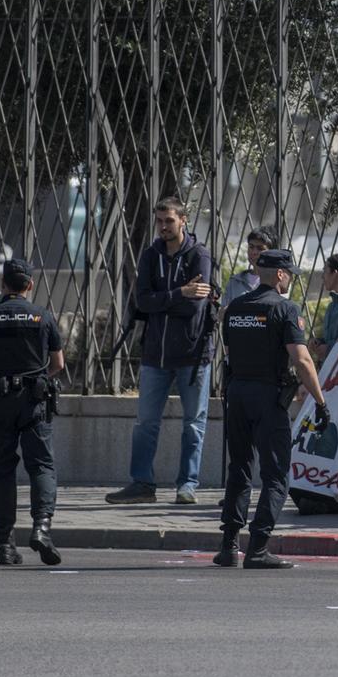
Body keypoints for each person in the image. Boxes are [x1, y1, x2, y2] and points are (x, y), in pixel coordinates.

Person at [215, 248, 324, 570]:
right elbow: (302, 359)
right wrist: (320, 401)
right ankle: (258, 547)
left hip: (237, 393)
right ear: (279, 274)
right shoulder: (285, 309)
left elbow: (231, 351)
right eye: (289, 273)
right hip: (268, 397)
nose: (290, 278)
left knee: (239, 469)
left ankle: (228, 546)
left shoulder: (235, 307)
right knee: (276, 476)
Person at [106, 198, 216, 506]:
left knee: (194, 423)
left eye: (169, 220)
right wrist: (179, 292)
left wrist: (164, 299)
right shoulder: (151, 255)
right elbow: (143, 301)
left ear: (183, 220)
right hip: (156, 354)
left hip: (193, 355)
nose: (164, 226)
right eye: (159, 221)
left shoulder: (199, 255)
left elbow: (196, 306)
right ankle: (142, 483)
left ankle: (187, 484)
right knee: (145, 422)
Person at [0, 259, 65, 566]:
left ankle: (6, 545)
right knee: (42, 466)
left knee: (2, 473)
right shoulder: (43, 317)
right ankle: (42, 528)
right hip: (33, 402)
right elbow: (58, 365)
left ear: (3, 285)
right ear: (29, 285)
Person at [221, 227, 275, 306]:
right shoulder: (235, 281)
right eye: (251, 247)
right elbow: (224, 312)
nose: (254, 252)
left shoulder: (276, 281)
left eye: (260, 248)